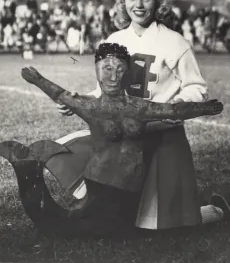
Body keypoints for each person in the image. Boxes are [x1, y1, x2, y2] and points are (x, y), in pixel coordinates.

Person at [57, 0, 229, 230]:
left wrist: (176, 107)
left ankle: (216, 210)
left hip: (161, 138)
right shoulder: (115, 40)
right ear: (123, 1)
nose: (139, 5)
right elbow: (104, 92)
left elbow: (197, 87)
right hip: (122, 141)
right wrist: (78, 100)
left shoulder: (174, 42)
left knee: (163, 224)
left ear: (157, 2)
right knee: (120, 218)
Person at [22, 42, 223, 231]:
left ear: (127, 73)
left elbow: (173, 111)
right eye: (107, 69)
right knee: (87, 227)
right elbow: (60, 94)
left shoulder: (139, 107)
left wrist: (203, 108)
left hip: (130, 189)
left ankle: (215, 211)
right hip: (98, 184)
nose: (113, 76)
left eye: (119, 69)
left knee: (127, 228)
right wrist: (37, 79)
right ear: (97, 72)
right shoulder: (91, 107)